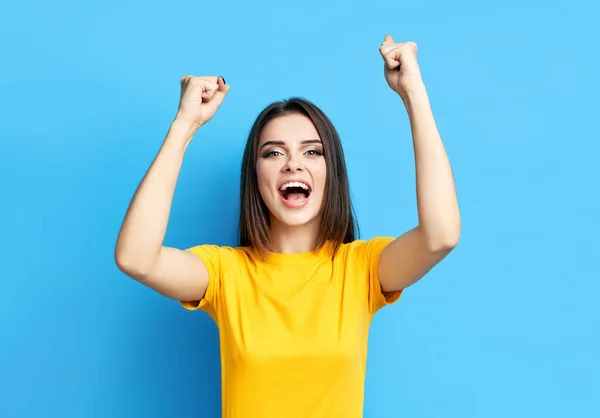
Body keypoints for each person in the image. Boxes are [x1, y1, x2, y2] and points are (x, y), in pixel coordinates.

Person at [114, 34, 460, 418]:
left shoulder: (359, 269)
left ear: (332, 173)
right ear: (256, 175)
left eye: (312, 151)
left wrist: (413, 93)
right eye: (273, 152)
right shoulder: (226, 274)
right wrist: (185, 125)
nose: (293, 164)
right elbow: (135, 258)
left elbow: (440, 236)